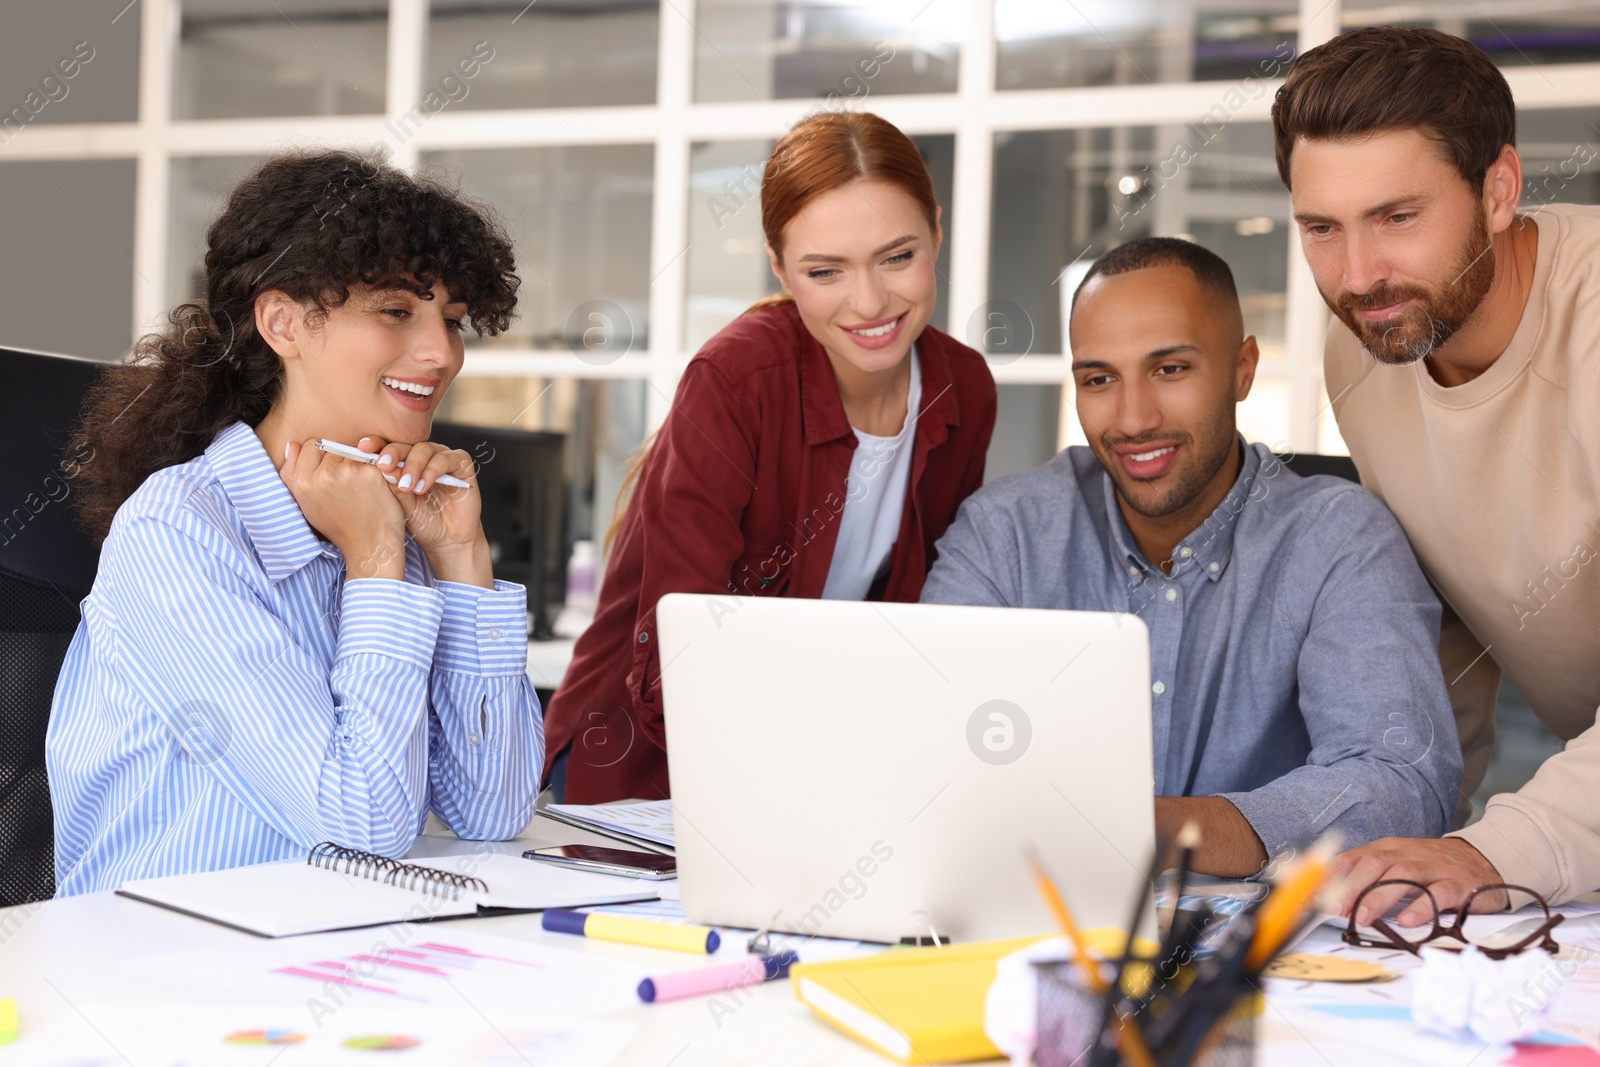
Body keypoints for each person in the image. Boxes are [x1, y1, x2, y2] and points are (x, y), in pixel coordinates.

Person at [48, 150, 542, 897]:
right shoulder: (180, 532)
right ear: (283, 322)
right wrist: (375, 559)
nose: (442, 353)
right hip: (169, 972)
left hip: (322, 955)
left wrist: (461, 558)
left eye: (452, 319)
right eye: (395, 311)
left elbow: (494, 809)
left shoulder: (394, 520)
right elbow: (358, 826)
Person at [921, 237, 1460, 877]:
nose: (1133, 419)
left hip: (1268, 962)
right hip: (1027, 931)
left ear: (1242, 369)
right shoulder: (1004, 535)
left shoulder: (1339, 540)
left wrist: (1145, 830)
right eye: (1099, 379)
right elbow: (928, 759)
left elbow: (1401, 783)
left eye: (1170, 369)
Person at [543, 110, 998, 804]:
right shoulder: (736, 381)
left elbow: (927, 622)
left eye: (898, 256)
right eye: (825, 270)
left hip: (817, 770)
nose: (870, 301)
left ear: (937, 231)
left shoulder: (962, 389)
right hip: (643, 772)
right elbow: (684, 646)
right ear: (780, 266)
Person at [1273, 26, 1600, 922]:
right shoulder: (1368, 346)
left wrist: (1486, 853)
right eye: (1321, 229)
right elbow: (1445, 631)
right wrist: (1407, 841)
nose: (1358, 275)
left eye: (1398, 216)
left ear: (1499, 190)